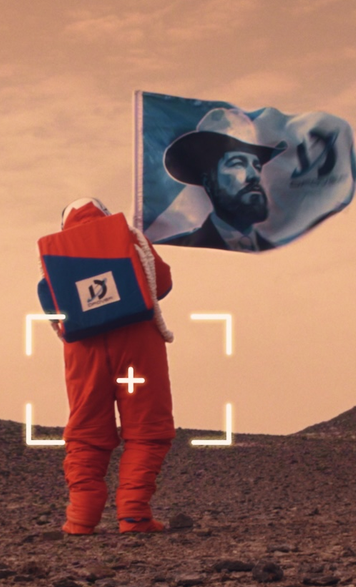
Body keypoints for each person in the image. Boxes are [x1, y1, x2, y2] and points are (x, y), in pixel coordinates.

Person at [45, 198, 174, 534]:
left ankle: (80, 519)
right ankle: (133, 515)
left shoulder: (55, 254)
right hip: (137, 346)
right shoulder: (130, 238)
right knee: (146, 428)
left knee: (87, 430)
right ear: (104, 213)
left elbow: (51, 306)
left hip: (84, 354)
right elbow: (162, 284)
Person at [159, 107, 287, 251]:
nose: (254, 176)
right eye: (238, 164)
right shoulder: (178, 252)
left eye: (257, 166)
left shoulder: (279, 253)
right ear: (208, 181)